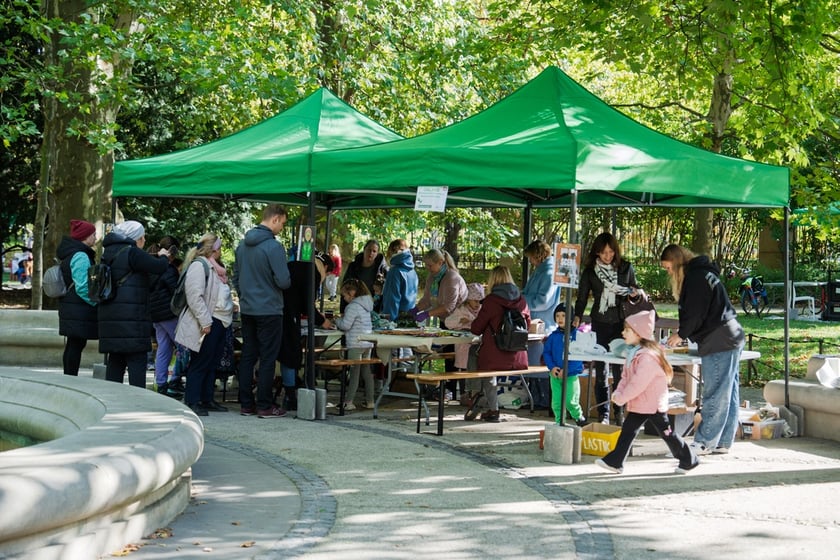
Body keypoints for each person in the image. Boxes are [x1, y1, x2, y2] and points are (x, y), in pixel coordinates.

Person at [660, 244, 745, 455]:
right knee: (728, 391)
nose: (668, 272)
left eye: (668, 268)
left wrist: (681, 334)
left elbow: (696, 313)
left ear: (677, 263)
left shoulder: (695, 278)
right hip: (730, 335)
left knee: (715, 392)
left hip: (719, 340)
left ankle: (705, 441)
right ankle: (723, 440)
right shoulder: (704, 273)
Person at [595, 310, 699, 475]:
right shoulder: (635, 353)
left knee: (667, 433)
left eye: (627, 330)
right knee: (629, 431)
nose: (623, 333)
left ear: (639, 333)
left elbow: (637, 383)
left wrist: (621, 397)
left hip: (652, 404)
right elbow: (626, 377)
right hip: (642, 403)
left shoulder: (647, 357)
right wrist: (619, 391)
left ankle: (688, 458)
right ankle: (615, 462)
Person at [233, 204, 292, 418]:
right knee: (268, 358)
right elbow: (284, 281)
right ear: (275, 219)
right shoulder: (274, 247)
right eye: (283, 224)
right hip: (269, 309)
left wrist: (245, 294)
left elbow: (236, 276)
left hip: (248, 309)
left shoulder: (241, 245)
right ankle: (265, 405)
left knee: (249, 355)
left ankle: (246, 404)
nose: (282, 229)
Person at [573, 232, 638, 424]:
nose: (607, 256)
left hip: (621, 323)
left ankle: (619, 411)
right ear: (596, 253)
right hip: (600, 322)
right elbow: (583, 297)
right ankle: (604, 414)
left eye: (610, 252)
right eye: (603, 253)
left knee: (620, 370)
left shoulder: (625, 268)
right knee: (600, 370)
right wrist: (577, 315)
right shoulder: (591, 272)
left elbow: (635, 291)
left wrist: (634, 294)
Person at [98, 220, 170, 387]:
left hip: (111, 318)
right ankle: (137, 404)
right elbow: (159, 268)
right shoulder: (133, 253)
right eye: (143, 237)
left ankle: (112, 400)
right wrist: (165, 257)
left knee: (115, 361)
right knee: (136, 362)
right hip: (132, 321)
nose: (144, 241)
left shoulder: (108, 253)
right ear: (136, 238)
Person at [174, 234, 234, 416]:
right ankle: (193, 400)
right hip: (208, 322)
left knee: (212, 362)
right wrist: (205, 321)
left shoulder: (214, 267)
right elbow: (194, 296)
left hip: (220, 321)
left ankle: (207, 398)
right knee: (200, 362)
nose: (222, 251)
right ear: (212, 249)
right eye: (220, 247)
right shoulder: (199, 266)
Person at [467, 265, 531, 423]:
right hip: (517, 356)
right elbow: (527, 325)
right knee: (484, 362)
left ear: (493, 279)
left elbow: (476, 329)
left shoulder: (491, 301)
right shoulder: (521, 300)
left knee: (476, 355)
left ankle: (478, 396)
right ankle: (480, 397)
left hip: (494, 356)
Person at [278, 251, 334, 411]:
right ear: (325, 267)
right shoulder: (313, 273)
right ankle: (290, 396)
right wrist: (322, 320)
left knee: (280, 354)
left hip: (276, 310)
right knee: (291, 353)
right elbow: (307, 304)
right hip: (288, 315)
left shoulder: (296, 265)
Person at [413, 248, 469, 400]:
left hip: (460, 323)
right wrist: (415, 310)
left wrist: (427, 314)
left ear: (441, 262)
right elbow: (427, 299)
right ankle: (448, 389)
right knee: (447, 356)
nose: (428, 269)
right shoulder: (433, 278)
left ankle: (455, 390)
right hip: (446, 321)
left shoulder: (452, 278)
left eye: (430, 265)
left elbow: (449, 306)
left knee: (456, 357)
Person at [56, 219, 98, 376]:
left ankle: (69, 376)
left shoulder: (70, 252)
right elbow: (82, 286)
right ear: (85, 237)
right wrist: (95, 302)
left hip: (70, 304)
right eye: (93, 234)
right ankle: (71, 377)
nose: (96, 237)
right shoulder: (81, 255)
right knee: (76, 344)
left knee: (73, 344)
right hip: (78, 307)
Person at [148, 235, 183, 398]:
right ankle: (175, 380)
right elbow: (175, 292)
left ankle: (161, 383)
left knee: (164, 348)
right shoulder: (168, 268)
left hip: (155, 315)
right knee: (183, 346)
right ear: (172, 251)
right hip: (168, 314)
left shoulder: (151, 265)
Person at [542, 303, 586, 426]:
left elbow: (577, 356)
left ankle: (579, 417)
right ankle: (559, 422)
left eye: (564, 315)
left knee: (570, 401)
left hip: (570, 376)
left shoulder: (576, 336)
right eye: (557, 316)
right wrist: (552, 368)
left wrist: (566, 370)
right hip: (555, 376)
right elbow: (547, 353)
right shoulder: (553, 336)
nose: (560, 319)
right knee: (556, 402)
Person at [335, 278, 376, 410]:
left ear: (352, 293)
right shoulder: (366, 305)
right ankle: (370, 400)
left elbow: (346, 325)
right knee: (366, 372)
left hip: (355, 343)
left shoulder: (352, 307)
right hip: (367, 343)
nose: (344, 298)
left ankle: (349, 401)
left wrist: (337, 321)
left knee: (354, 372)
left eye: (344, 295)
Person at [341, 239, 387, 313]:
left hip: (374, 308)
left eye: (374, 251)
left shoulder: (383, 269)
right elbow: (345, 287)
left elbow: (385, 293)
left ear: (377, 253)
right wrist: (343, 310)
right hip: (355, 306)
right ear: (364, 250)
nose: (371, 253)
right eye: (369, 250)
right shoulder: (353, 266)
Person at [379, 239, 418, 322]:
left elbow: (392, 300)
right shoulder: (413, 272)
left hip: (396, 319)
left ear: (394, 251)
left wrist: (388, 322)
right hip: (410, 317)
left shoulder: (395, 272)